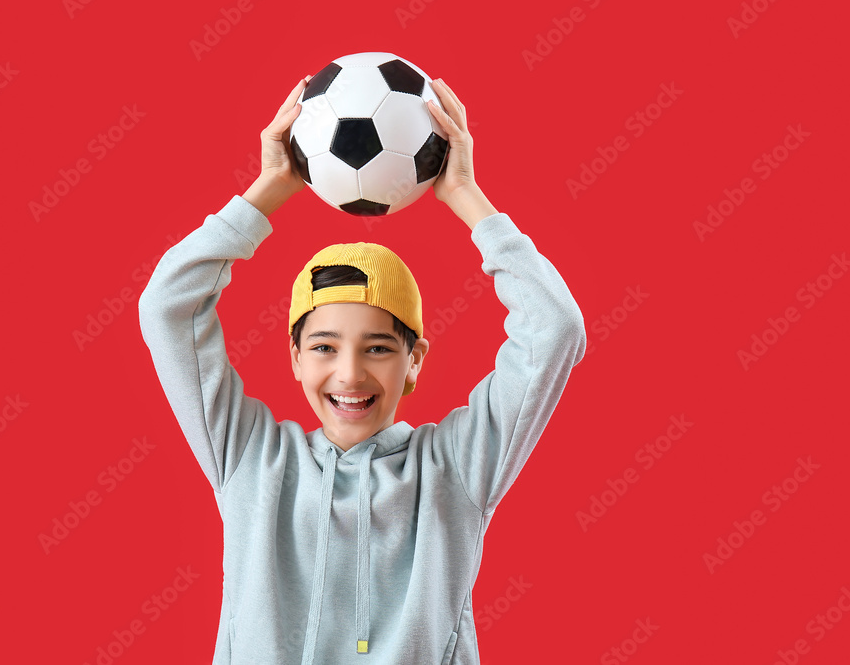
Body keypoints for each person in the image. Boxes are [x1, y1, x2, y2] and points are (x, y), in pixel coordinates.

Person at [138, 74, 587, 664]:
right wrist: (269, 188)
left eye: (377, 348)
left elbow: (555, 328)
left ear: (414, 361)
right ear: (294, 359)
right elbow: (168, 307)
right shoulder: (249, 458)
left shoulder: (455, 468)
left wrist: (465, 195)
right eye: (324, 347)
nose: (349, 375)